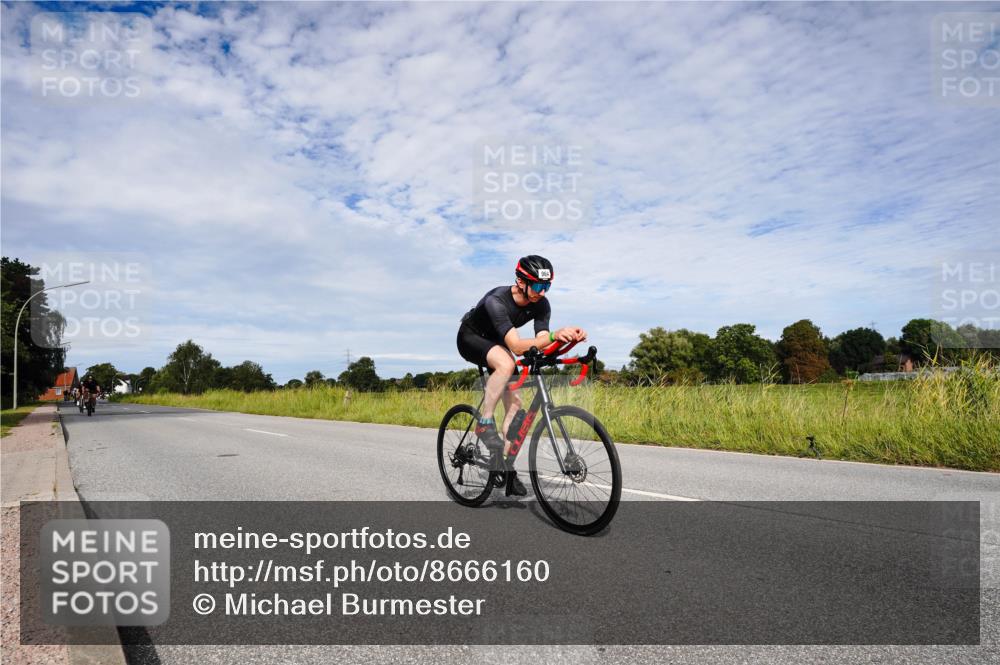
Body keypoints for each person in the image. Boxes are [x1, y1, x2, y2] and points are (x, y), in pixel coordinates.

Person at [457, 255, 587, 496]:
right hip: (470, 338)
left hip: (498, 341)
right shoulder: (497, 301)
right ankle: (485, 423)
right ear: (520, 281)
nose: (542, 292)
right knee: (507, 364)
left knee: (516, 406)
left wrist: (567, 339)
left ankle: (505, 469)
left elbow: (542, 342)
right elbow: (517, 347)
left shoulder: (541, 304)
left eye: (547, 286)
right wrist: (553, 336)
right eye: (538, 286)